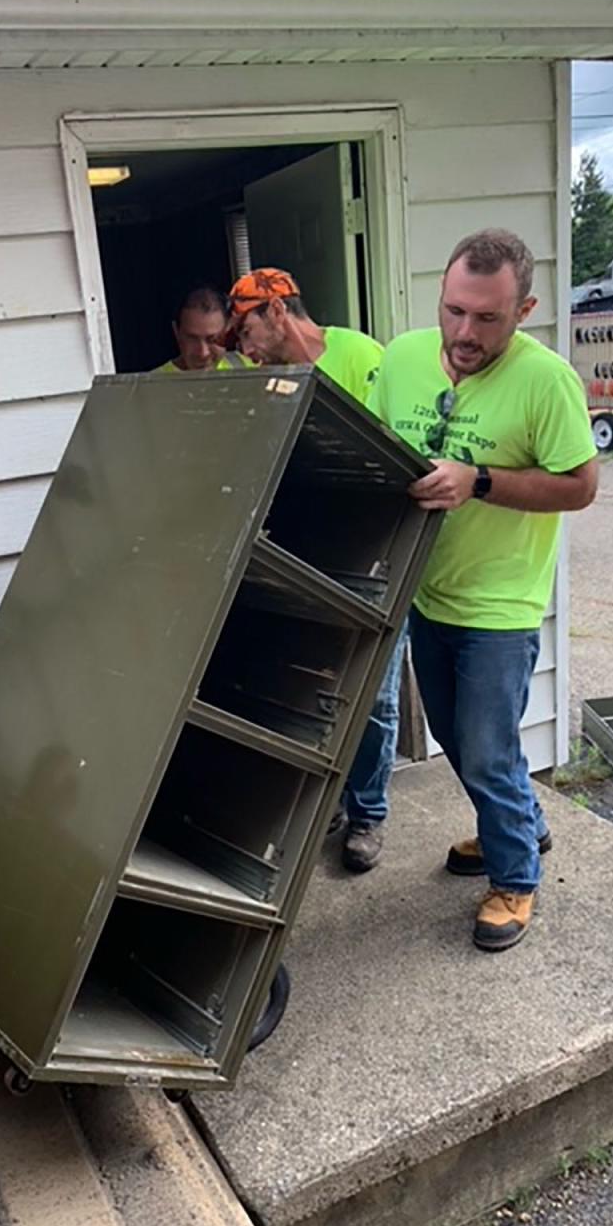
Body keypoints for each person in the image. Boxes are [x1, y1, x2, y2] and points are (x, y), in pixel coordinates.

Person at [368, 229, 598, 952]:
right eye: (453, 311)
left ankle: (514, 878)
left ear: (523, 308)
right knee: (458, 740)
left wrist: (481, 481)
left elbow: (581, 487)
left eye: (487, 319)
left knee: (487, 747)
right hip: (426, 591)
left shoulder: (546, 380)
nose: (464, 333)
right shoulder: (403, 358)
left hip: (501, 603)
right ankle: (521, 825)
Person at [227, 268, 403, 876]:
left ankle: (368, 812)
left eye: (245, 328)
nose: (241, 345)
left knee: (374, 693)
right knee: (314, 684)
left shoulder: (361, 356)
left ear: (277, 312)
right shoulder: (268, 379)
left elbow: (392, 444)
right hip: (307, 549)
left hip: (373, 547)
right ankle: (325, 802)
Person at [155, 286, 255, 374]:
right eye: (192, 339)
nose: (203, 353)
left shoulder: (249, 369)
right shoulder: (152, 385)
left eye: (213, 339)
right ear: (176, 332)